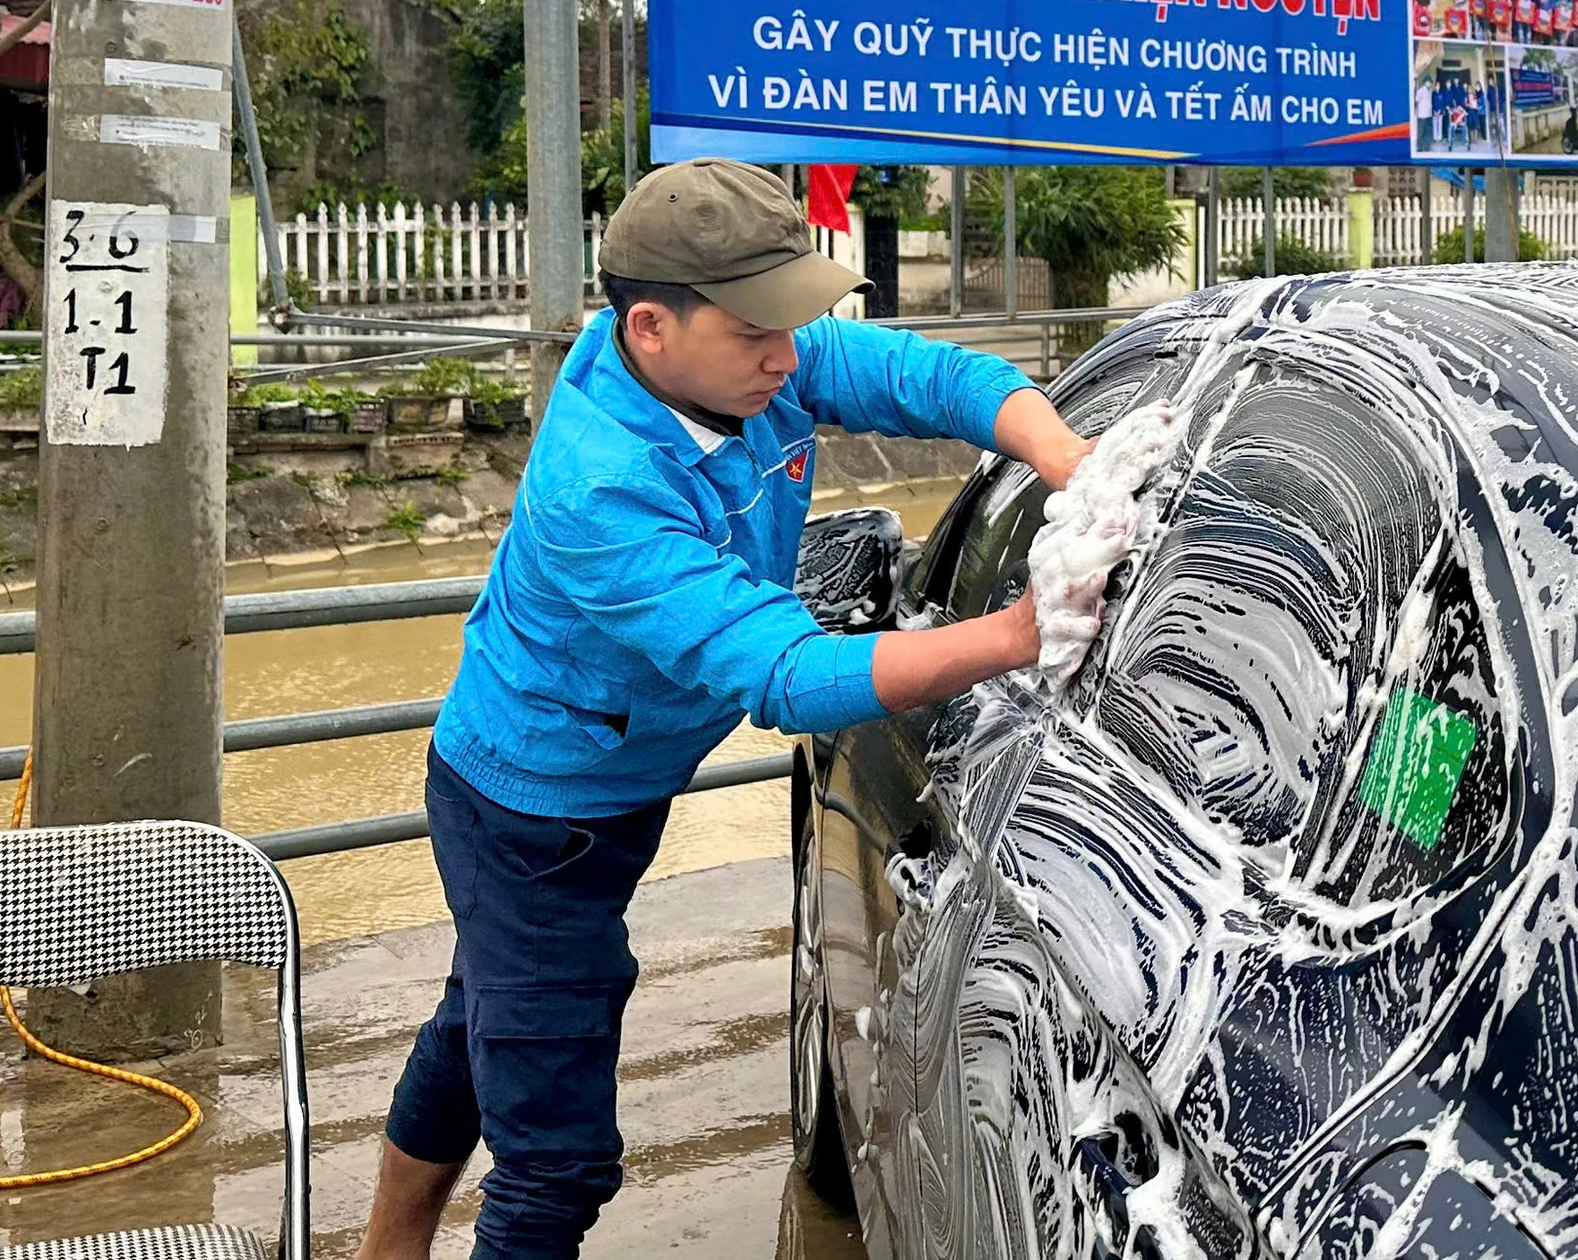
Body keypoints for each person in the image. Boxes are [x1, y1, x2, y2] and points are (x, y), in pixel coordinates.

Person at [355, 159, 1094, 1260]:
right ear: (650, 327)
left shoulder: (749, 361)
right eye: (757, 331)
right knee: (556, 1159)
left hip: (613, 783)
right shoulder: (602, 487)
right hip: (531, 816)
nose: (787, 356)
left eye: (793, 323)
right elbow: (785, 671)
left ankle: (385, 1245)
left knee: (481, 1026)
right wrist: (1017, 636)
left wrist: (1065, 456)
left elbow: (933, 378)